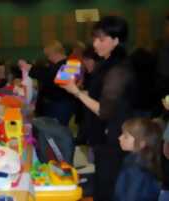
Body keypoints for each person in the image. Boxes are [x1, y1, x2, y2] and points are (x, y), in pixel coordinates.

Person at [61, 16, 137, 201]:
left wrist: (77, 94)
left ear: (116, 41)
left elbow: (104, 110)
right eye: (94, 38)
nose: (95, 44)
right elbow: (99, 96)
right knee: (102, 180)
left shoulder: (118, 69)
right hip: (104, 135)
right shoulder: (106, 64)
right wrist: (78, 90)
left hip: (113, 137)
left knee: (106, 186)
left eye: (101, 40)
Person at [24, 40, 76, 126]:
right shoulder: (56, 64)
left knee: (56, 132)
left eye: (49, 55)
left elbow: (54, 81)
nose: (48, 58)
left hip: (61, 106)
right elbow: (47, 76)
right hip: (51, 105)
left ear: (55, 53)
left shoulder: (72, 64)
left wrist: (32, 69)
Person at [115, 117, 163, 201]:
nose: (119, 138)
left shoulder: (137, 169)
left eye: (126, 137)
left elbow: (130, 197)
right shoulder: (141, 161)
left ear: (142, 143)